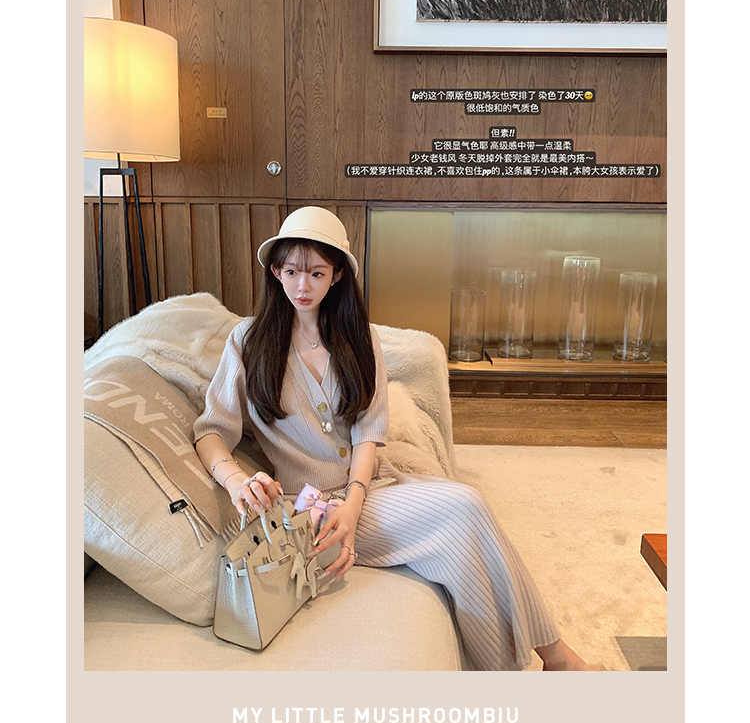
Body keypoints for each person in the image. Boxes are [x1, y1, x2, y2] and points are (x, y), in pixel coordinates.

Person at [194, 207, 600, 671]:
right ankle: (556, 661)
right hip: (307, 512)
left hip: (367, 492)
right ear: (275, 271)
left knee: (467, 518)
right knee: (463, 511)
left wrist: (354, 502)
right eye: (291, 272)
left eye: (316, 273)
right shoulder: (248, 341)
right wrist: (236, 480)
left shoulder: (358, 337)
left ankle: (539, 662)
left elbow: (368, 431)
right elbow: (211, 430)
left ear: (337, 275)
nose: (302, 286)